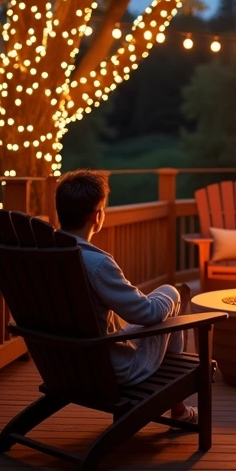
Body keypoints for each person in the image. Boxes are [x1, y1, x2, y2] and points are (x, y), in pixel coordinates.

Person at [55, 169, 197, 425]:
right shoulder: (95, 263)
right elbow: (145, 314)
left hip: (62, 366)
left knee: (155, 309)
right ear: (96, 216)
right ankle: (180, 409)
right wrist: (173, 294)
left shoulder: (43, 254)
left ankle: (179, 408)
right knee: (167, 297)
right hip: (112, 370)